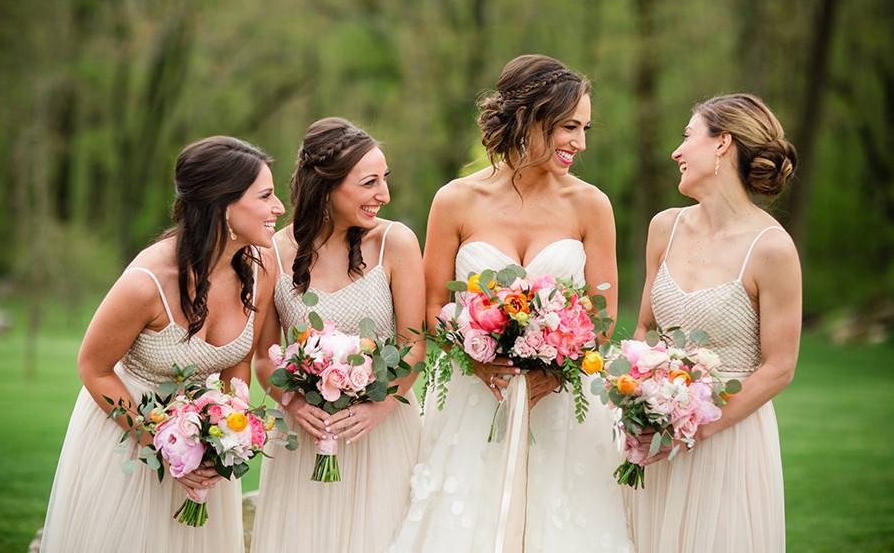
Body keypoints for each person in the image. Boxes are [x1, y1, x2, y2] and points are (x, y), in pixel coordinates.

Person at [390, 54, 633, 553]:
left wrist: (557, 368)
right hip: (474, 397)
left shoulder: (591, 204)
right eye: (569, 126)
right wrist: (474, 357)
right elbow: (434, 304)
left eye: (585, 128)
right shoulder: (455, 200)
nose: (580, 143)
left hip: (564, 402)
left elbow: (601, 317)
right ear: (529, 118)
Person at [40, 136, 284, 552]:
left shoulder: (261, 270)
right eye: (266, 195)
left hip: (206, 448)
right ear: (224, 206)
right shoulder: (147, 283)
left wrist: (226, 439)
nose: (279, 207)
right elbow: (93, 368)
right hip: (129, 442)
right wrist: (164, 447)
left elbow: (237, 367)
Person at [627, 93, 802, 552]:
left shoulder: (772, 249)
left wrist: (698, 426)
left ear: (722, 143)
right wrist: (637, 405)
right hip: (657, 438)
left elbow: (779, 367)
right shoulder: (665, 227)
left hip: (729, 442)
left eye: (688, 137)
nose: (676, 151)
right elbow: (644, 331)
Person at [250, 118, 424, 553]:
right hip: (304, 436)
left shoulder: (395, 242)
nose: (383, 194)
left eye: (384, 180)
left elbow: (415, 344)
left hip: (382, 430)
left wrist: (379, 407)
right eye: (369, 183)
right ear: (326, 187)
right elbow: (263, 357)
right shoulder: (272, 251)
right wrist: (291, 401)